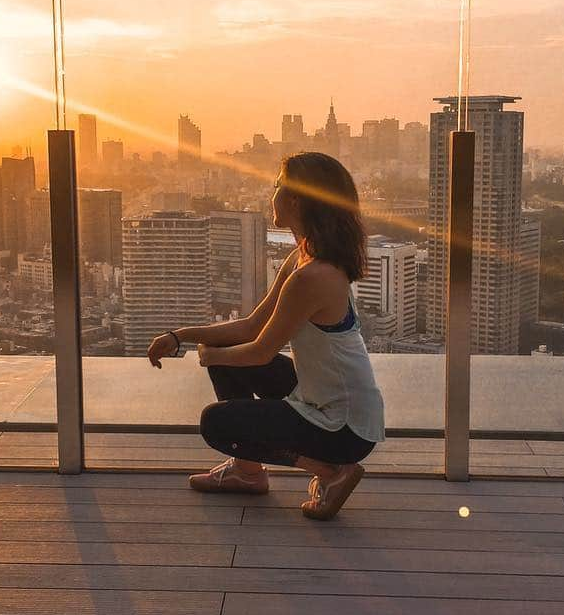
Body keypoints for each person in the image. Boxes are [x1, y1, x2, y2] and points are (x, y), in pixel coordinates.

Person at [146, 152, 385, 520]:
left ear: (295, 199)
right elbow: (251, 325)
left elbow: (260, 351)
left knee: (217, 424)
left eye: (277, 186)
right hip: (322, 397)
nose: (270, 193)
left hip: (344, 427)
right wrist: (181, 336)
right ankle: (247, 472)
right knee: (226, 349)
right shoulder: (304, 258)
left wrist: (210, 356)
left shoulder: (313, 276)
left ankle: (331, 470)